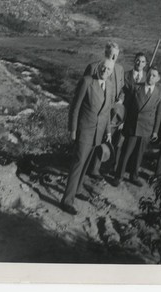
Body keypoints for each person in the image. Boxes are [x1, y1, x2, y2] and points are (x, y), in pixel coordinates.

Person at [61, 59, 114, 215]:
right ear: (98, 68)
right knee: (78, 164)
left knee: (86, 164)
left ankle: (77, 190)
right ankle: (66, 201)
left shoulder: (110, 86)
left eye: (109, 69)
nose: (105, 70)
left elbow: (107, 112)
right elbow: (75, 107)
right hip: (84, 131)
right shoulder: (87, 82)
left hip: (98, 133)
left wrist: (108, 131)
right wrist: (73, 130)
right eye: (103, 67)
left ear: (111, 72)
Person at [112, 66, 161, 187]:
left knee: (139, 155)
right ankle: (118, 176)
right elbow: (127, 106)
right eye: (150, 74)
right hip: (132, 125)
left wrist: (155, 131)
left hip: (147, 128)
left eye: (154, 76)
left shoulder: (160, 93)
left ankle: (133, 176)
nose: (151, 77)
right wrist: (123, 122)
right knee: (126, 153)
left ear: (158, 79)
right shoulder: (136, 87)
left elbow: (159, 114)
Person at [84, 41, 125, 178]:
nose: (113, 58)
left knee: (106, 140)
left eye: (116, 55)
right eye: (111, 54)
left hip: (113, 113)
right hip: (97, 111)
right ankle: (86, 167)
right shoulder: (94, 67)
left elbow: (122, 89)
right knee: (93, 140)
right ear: (105, 53)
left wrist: (121, 99)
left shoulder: (119, 69)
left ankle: (97, 167)